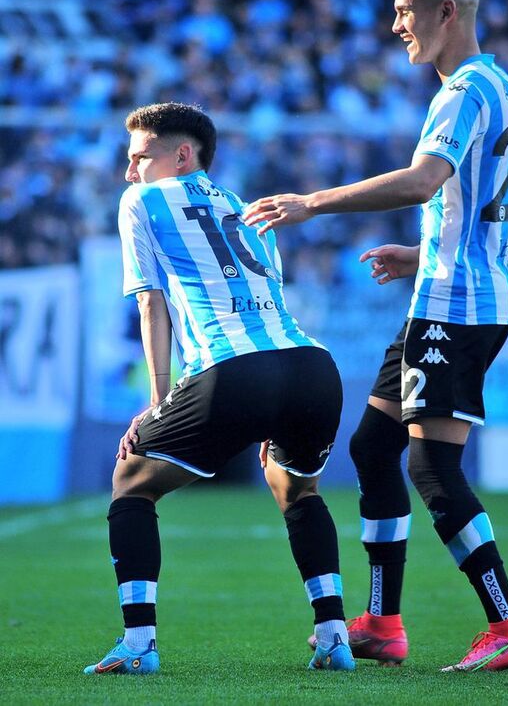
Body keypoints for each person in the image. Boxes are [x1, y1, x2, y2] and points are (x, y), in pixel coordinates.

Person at [244, 0, 508, 673]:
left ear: (448, 12)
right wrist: (426, 254)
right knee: (373, 449)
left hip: (456, 308)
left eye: (406, 11)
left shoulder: (464, 93)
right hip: (445, 295)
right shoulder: (502, 88)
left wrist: (311, 202)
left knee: (431, 464)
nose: (394, 24)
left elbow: (421, 180)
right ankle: (381, 621)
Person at [83, 102, 355, 675]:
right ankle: (333, 636)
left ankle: (137, 646)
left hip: (236, 369)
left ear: (182, 155)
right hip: (311, 366)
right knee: (297, 491)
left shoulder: (142, 201)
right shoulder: (246, 207)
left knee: (131, 480)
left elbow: (152, 305)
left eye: (140, 158)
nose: (130, 172)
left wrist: (156, 404)